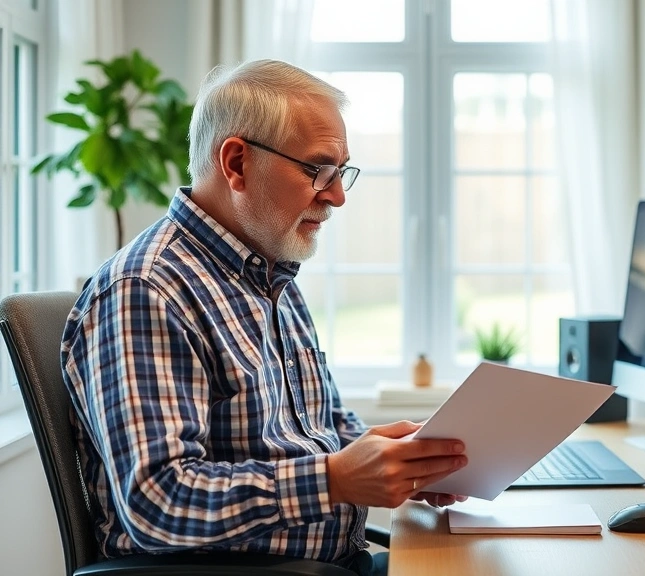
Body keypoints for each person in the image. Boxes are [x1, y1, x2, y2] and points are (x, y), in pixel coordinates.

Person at [61, 59, 466, 576]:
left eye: (341, 172)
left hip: (333, 565)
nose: (337, 195)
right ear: (237, 163)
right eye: (318, 170)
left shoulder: (272, 275)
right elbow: (156, 502)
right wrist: (334, 479)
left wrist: (407, 461)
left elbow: (324, 430)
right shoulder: (146, 291)